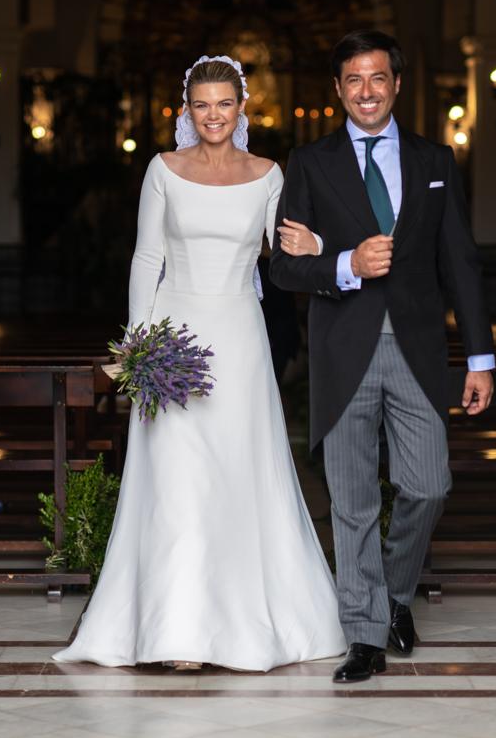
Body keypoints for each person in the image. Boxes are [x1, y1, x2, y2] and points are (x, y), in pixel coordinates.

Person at [53, 56, 346, 671]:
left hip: (239, 336)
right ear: (186, 110)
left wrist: (320, 246)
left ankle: (243, 623)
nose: (213, 115)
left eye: (225, 103)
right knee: (177, 480)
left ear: (243, 108)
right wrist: (138, 347)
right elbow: (144, 260)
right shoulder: (163, 170)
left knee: (239, 473)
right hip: (172, 335)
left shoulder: (269, 174)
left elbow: (286, 259)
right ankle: (179, 628)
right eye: (202, 104)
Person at [270, 30, 495, 683]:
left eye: (377, 78)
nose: (366, 91)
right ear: (338, 90)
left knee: (429, 485)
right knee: (352, 498)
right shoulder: (309, 163)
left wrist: (479, 358)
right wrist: (344, 261)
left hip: (420, 350)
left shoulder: (436, 160)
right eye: (353, 81)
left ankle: (396, 593)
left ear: (396, 84)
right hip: (343, 349)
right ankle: (365, 633)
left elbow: (462, 265)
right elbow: (285, 267)